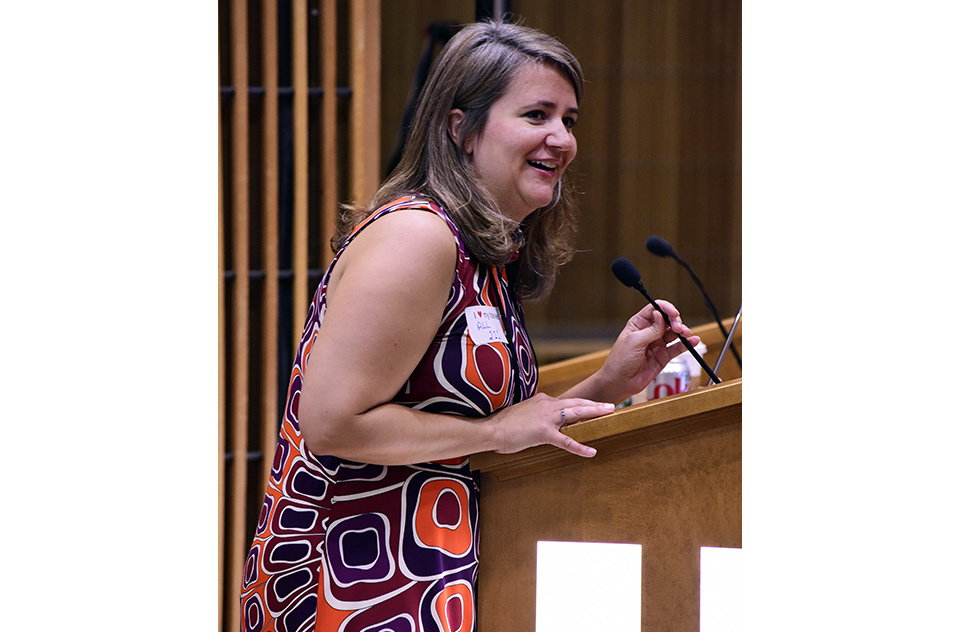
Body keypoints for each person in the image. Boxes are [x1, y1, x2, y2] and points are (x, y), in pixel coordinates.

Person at [240, 20, 699, 632]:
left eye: (570, 119)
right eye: (537, 114)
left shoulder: (483, 255)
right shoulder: (418, 237)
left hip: (425, 575)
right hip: (350, 589)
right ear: (461, 127)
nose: (561, 138)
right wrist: (497, 432)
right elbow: (331, 423)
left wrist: (608, 384)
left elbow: (492, 430)